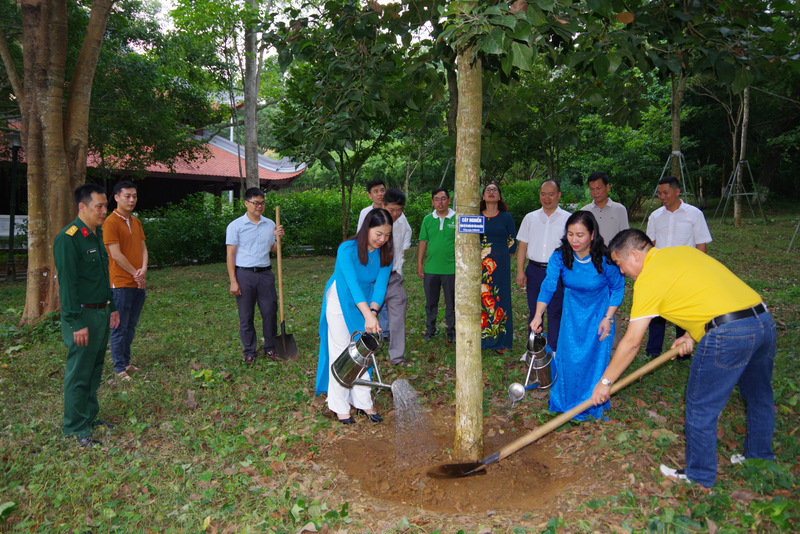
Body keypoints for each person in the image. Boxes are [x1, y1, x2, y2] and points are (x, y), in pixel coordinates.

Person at [591, 229, 775, 488]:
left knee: (701, 407)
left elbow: (632, 342)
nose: (622, 272)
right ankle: (760, 459)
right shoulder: (682, 252)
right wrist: (691, 332)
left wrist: (606, 382)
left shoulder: (648, 279)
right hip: (762, 321)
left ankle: (700, 477)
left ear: (634, 255)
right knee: (759, 397)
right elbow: (707, 290)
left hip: (728, 333)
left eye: (620, 264)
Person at [530, 211, 624, 420]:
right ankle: (567, 401)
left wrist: (608, 318)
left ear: (592, 235)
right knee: (568, 357)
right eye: (570, 234)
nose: (574, 239)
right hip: (572, 315)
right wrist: (538, 315)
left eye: (580, 235)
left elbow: (618, 288)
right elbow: (548, 286)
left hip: (599, 314)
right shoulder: (560, 256)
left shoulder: (605, 259)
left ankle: (592, 402)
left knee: (595, 359)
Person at [54, 184, 121, 448]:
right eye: (99, 207)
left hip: (101, 312)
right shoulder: (68, 238)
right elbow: (68, 285)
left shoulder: (96, 235)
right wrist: (75, 322)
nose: (105, 211)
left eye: (105, 206)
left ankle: (89, 417)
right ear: (82, 207)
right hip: (82, 315)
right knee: (79, 372)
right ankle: (74, 427)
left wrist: (112, 306)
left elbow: (104, 277)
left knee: (94, 370)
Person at [315, 208, 394, 424]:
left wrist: (374, 313)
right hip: (341, 297)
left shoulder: (386, 253)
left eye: (387, 235)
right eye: (378, 233)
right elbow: (351, 285)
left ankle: (363, 402)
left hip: (366, 301)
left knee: (362, 351)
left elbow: (380, 287)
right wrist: (368, 315)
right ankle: (339, 405)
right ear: (366, 228)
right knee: (342, 350)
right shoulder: (347, 249)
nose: (382, 239)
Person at [645, 175, 712, 359]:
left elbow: (701, 245)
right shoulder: (655, 216)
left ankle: (683, 352)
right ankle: (653, 351)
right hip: (661, 273)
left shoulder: (694, 214)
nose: (662, 197)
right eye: (659, 193)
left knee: (683, 313)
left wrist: (699, 271)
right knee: (658, 314)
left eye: (665, 192)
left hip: (685, 273)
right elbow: (650, 244)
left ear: (677, 191)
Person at [226, 188, 284, 365]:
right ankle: (250, 350)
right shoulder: (236, 226)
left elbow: (273, 249)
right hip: (244, 274)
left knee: (269, 311)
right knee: (246, 314)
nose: (260, 206)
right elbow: (231, 255)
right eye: (256, 203)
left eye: (262, 202)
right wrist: (233, 281)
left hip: (265, 273)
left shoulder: (270, 224)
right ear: (246, 203)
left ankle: (270, 346)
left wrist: (279, 238)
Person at [516, 180, 570, 352]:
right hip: (534, 270)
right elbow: (522, 246)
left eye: (551, 194)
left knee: (555, 311)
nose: (547, 198)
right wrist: (520, 271)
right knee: (535, 311)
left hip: (559, 272)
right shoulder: (530, 218)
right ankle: (534, 350)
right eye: (543, 194)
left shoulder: (568, 219)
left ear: (559, 195)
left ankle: (553, 349)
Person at [103, 181, 148, 381]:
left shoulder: (136, 221)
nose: (131, 200)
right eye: (127, 196)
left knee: (131, 326)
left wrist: (143, 270)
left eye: (134, 196)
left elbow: (143, 248)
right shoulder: (110, 222)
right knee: (119, 327)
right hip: (120, 283)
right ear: (116, 197)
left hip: (138, 283)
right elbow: (116, 255)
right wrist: (135, 273)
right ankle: (119, 368)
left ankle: (127, 362)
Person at [582, 171, 629, 347]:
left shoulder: (619, 209)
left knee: (612, 303)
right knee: (591, 302)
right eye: (592, 189)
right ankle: (592, 342)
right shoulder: (585, 211)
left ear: (608, 188)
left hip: (613, 264)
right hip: (590, 264)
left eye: (599, 188)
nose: (596, 192)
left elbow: (625, 237)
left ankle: (614, 344)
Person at [479, 183, 517, 353]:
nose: (491, 192)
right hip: (479, 265)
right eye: (488, 190)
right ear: (483, 196)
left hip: (500, 264)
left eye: (495, 190)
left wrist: (500, 256)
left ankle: (501, 340)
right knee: (483, 298)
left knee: (500, 298)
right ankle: (484, 338)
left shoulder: (506, 217)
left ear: (500, 196)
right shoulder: (476, 217)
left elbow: (512, 241)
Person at [417, 188, 456, 343]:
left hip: (451, 269)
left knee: (451, 303)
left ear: (449, 200)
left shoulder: (457, 218)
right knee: (431, 302)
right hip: (431, 269)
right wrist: (420, 263)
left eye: (443, 198)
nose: (440, 202)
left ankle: (451, 331)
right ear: (433, 202)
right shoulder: (428, 219)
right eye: (437, 199)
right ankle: (430, 330)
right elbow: (423, 242)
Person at [382, 188, 412, 365]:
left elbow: (405, 238)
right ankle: (363, 350)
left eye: (399, 210)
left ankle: (397, 356)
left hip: (393, 276)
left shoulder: (401, 222)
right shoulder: (374, 220)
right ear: (383, 205)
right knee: (366, 313)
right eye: (391, 209)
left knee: (399, 308)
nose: (395, 214)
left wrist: (400, 263)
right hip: (373, 278)